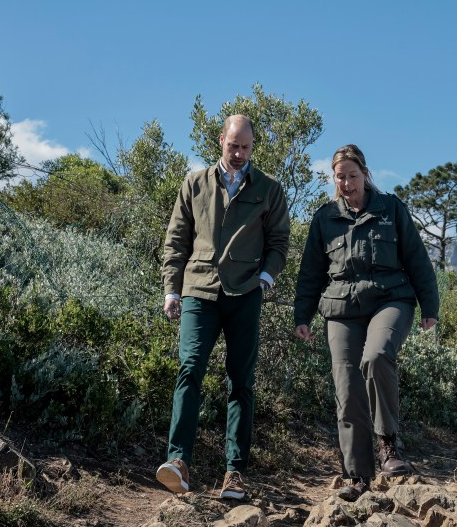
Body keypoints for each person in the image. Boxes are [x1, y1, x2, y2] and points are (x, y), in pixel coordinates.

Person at [294, 144, 439, 502]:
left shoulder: (390, 208)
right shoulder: (324, 218)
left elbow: (418, 260)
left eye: (352, 176)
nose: (346, 183)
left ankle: (388, 445)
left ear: (365, 173)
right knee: (347, 386)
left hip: (391, 300)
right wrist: (303, 315)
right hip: (342, 308)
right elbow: (311, 272)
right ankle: (357, 475)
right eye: (340, 177)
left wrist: (429, 307)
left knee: (375, 357)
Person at [156, 114, 290, 500]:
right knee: (189, 368)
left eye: (246, 147)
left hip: (246, 293)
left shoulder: (269, 189)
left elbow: (279, 241)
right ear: (221, 140)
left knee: (241, 381)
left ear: (252, 146)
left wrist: (266, 277)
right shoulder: (195, 183)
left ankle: (235, 473)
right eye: (233, 145)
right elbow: (176, 240)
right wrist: (172, 289)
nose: (238, 153)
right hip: (198, 290)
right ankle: (178, 462)